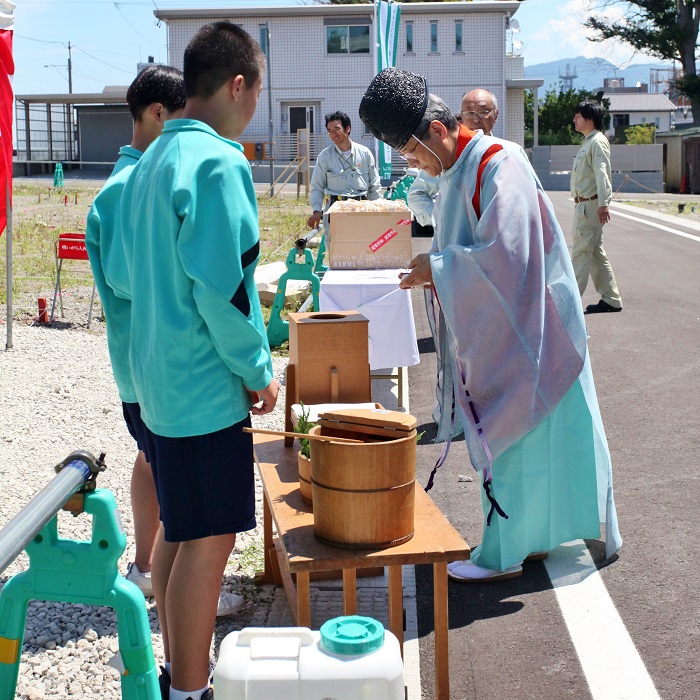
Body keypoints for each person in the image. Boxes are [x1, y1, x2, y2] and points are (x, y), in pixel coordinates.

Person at [360, 68, 622, 582]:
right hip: (520, 328)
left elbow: (507, 256)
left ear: (438, 132)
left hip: (533, 333)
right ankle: (536, 539)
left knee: (517, 441)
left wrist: (435, 269)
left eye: (413, 154)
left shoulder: (500, 164)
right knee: (531, 444)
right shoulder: (457, 169)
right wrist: (436, 267)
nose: (415, 165)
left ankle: (503, 554)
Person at [120, 22, 279, 700]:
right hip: (202, 384)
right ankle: (189, 690)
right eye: (256, 91)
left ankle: (177, 678)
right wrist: (258, 369)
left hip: (157, 377)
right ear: (237, 84)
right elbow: (227, 290)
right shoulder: (218, 161)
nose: (254, 107)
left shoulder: (150, 161)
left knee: (182, 537)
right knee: (209, 543)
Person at [85, 64, 186, 597]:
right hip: (151, 360)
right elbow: (129, 279)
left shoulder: (128, 180)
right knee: (168, 468)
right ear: (158, 114)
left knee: (150, 458)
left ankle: (147, 568)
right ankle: (165, 579)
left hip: (139, 359)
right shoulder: (130, 186)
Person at [571, 100, 623, 313]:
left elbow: (603, 173)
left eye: (578, 116)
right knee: (594, 254)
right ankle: (611, 298)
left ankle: (570, 304)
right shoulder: (588, 141)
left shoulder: (596, 142)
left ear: (589, 119)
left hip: (590, 205)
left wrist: (604, 203)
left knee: (581, 253)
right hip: (586, 205)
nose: (574, 120)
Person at [306, 110, 381, 231]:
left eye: (337, 129)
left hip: (362, 210)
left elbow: (374, 184)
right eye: (330, 131)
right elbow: (317, 187)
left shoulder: (364, 153)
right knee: (337, 248)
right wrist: (316, 210)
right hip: (336, 212)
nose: (333, 134)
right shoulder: (325, 157)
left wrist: (377, 206)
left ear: (347, 129)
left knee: (362, 247)